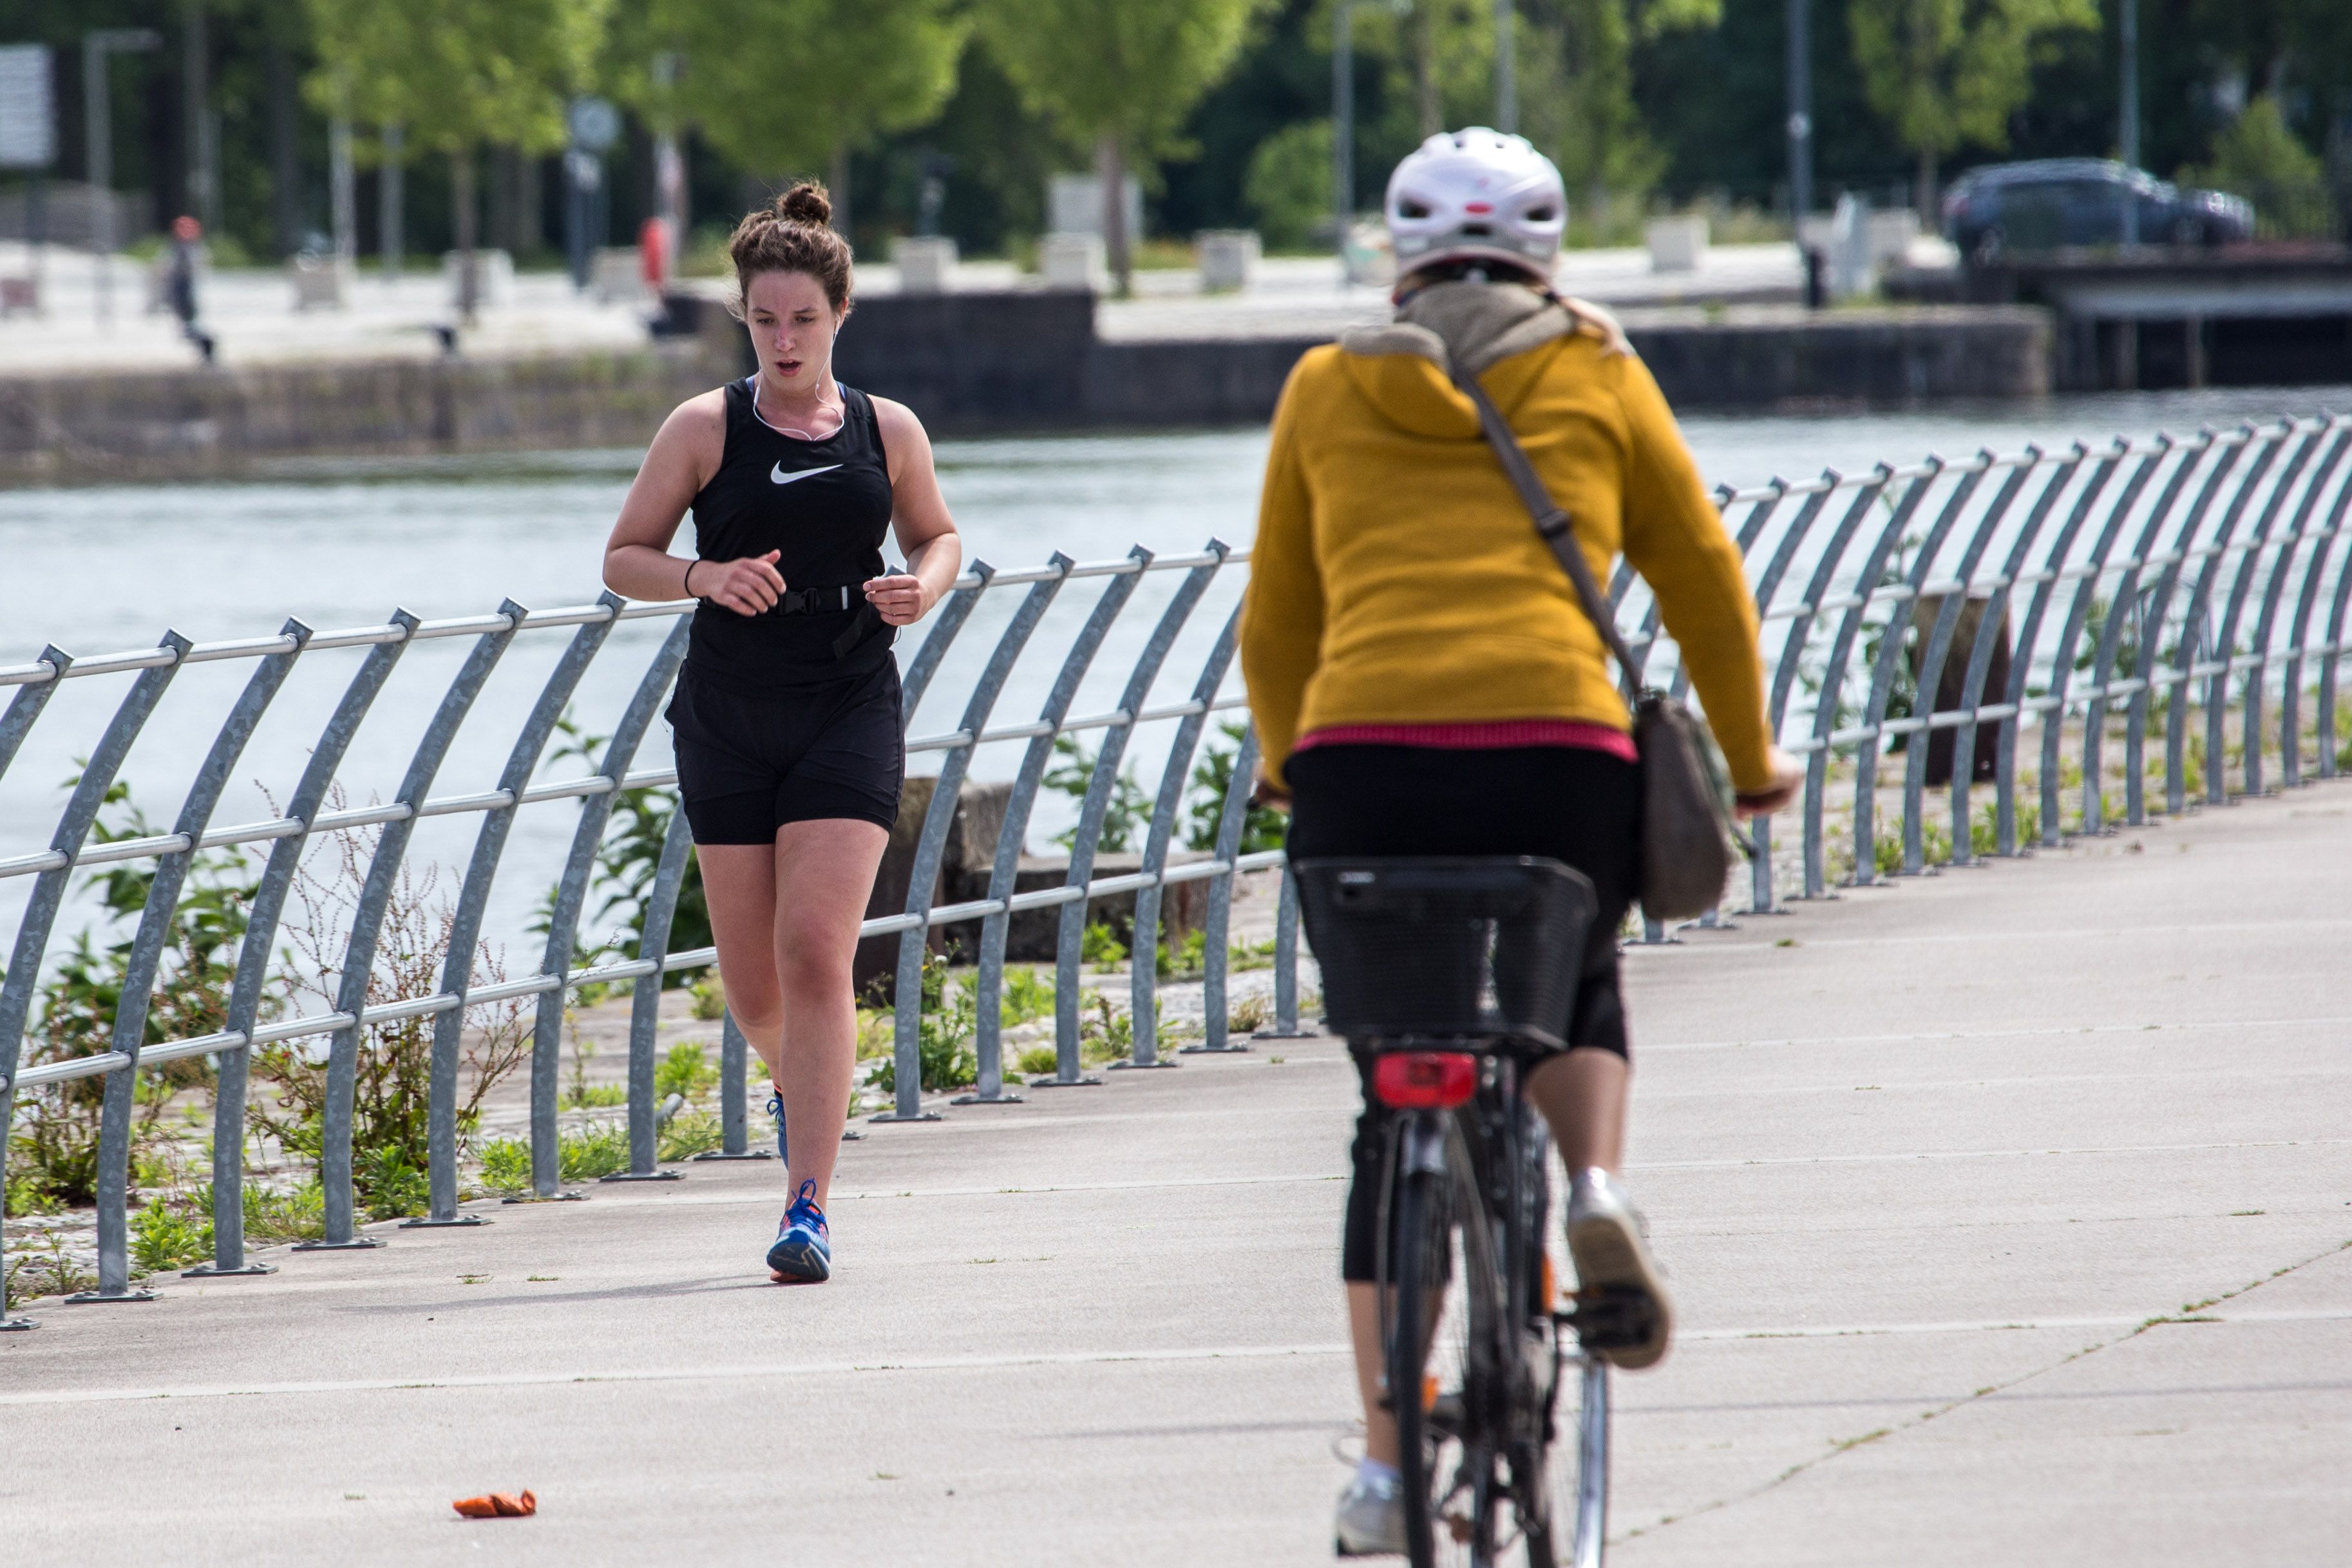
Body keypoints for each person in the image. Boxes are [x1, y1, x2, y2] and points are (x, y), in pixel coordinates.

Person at [1236, 129, 1803, 1555]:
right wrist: (1748, 766)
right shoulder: (1598, 367)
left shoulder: (1324, 382)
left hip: (1363, 759)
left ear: (1398, 251)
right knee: (1575, 985)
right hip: (1557, 750)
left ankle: (1380, 1471)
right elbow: (1699, 573)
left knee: (1389, 1111)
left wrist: (1288, 767)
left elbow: (1279, 614)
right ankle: (1595, 1192)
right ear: (1546, 249)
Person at [602, 182, 961, 1285]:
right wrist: (705, 574)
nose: (785, 339)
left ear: (839, 315)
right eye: (765, 320)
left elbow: (939, 536)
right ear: (743, 319)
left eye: (803, 318)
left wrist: (921, 589)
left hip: (849, 703)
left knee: (816, 955)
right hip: (728, 714)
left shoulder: (884, 428)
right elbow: (625, 559)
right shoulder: (704, 426)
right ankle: (802, 1084)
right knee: (755, 989)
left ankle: (806, 1205)